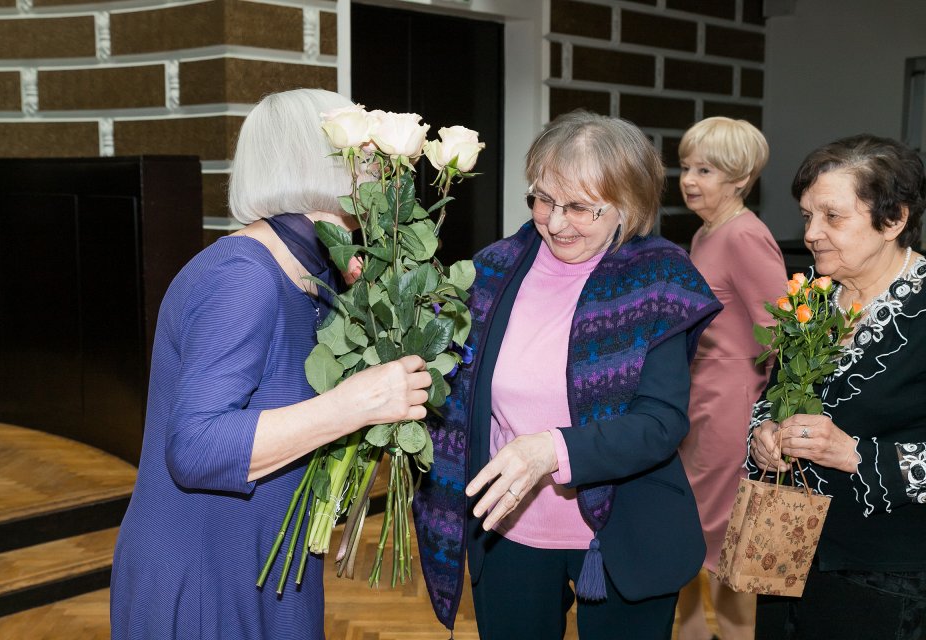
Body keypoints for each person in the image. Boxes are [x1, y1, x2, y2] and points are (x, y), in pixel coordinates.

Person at [109, 89, 432, 640]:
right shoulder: (243, 277)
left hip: (270, 556)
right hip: (206, 567)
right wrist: (353, 404)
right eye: (359, 144)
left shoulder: (309, 270)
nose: (376, 160)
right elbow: (196, 447)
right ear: (318, 159)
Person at [413, 110, 722, 640]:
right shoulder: (492, 268)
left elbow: (661, 422)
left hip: (624, 535)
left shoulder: (659, 278)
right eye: (542, 199)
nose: (555, 222)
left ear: (628, 204)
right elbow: (451, 389)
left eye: (579, 207)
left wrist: (551, 451)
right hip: (507, 528)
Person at [749, 134, 926, 640]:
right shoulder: (813, 296)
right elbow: (771, 396)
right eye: (807, 216)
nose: (811, 233)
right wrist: (764, 435)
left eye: (833, 217)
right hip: (784, 552)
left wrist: (853, 455)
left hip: (888, 575)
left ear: (893, 220)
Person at [675, 117, 788, 640]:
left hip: (732, 405)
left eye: (706, 169)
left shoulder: (745, 235)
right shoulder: (705, 231)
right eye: (686, 166)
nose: (690, 179)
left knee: (725, 540)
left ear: (740, 179)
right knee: (689, 531)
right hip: (700, 399)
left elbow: (781, 333)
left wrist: (770, 417)